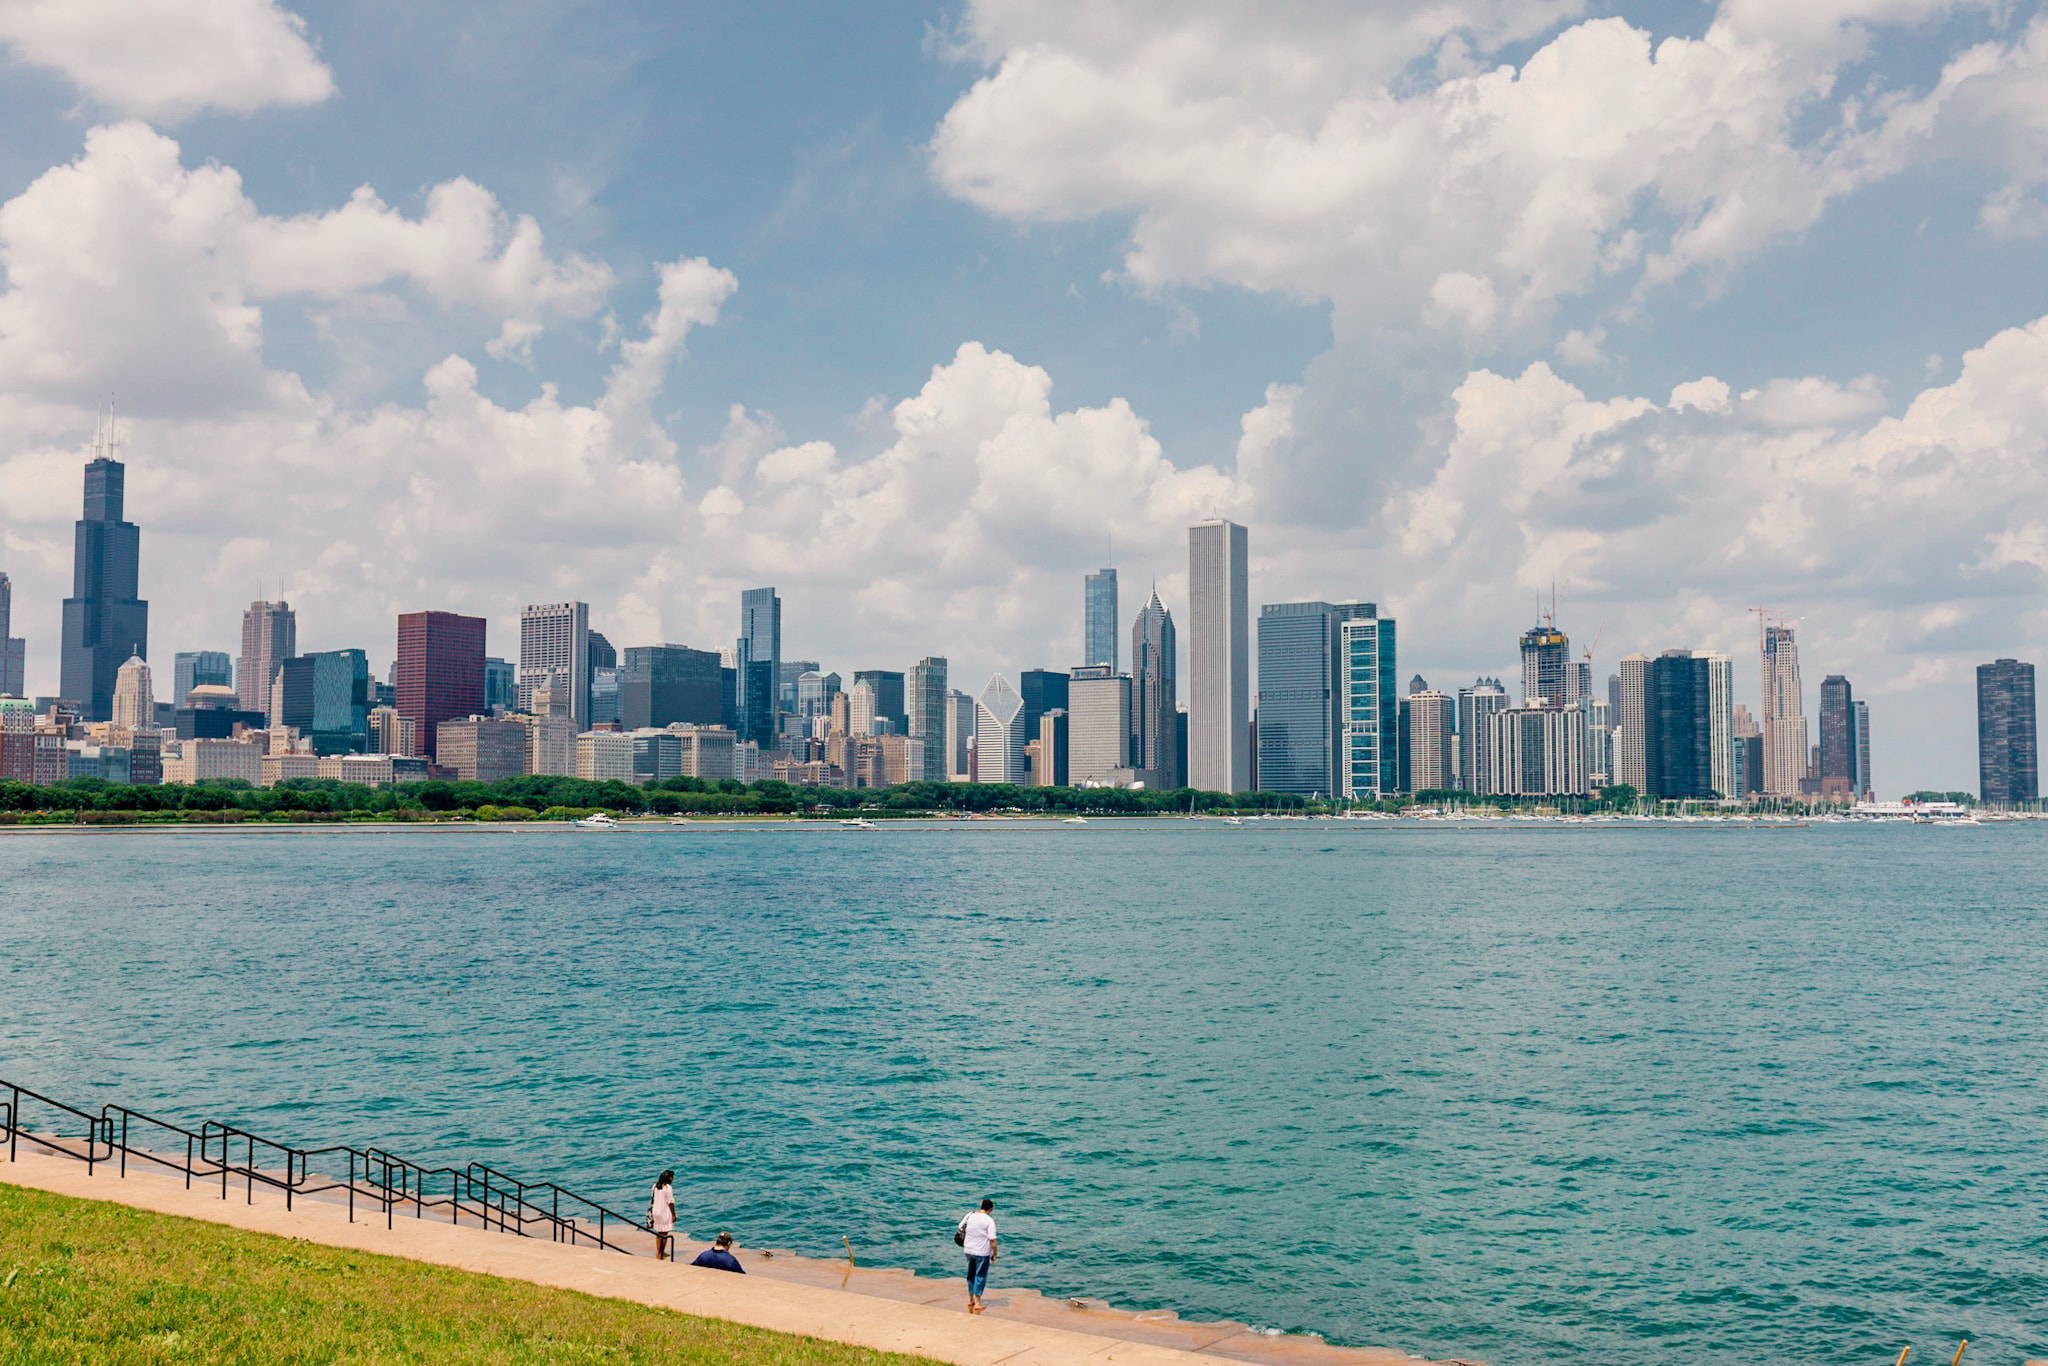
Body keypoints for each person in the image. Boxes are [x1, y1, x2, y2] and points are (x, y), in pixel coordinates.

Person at [958, 1198, 997, 1313]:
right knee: (980, 1276)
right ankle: (978, 1303)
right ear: (990, 1209)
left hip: (969, 1250)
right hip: (982, 1252)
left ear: (981, 1206)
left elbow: (960, 1227)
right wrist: (995, 1254)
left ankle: (970, 1299)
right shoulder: (989, 1220)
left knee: (971, 1274)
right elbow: (993, 1240)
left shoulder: (970, 1215)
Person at [648, 1170, 676, 1261]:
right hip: (664, 1211)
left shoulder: (655, 1186)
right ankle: (662, 1253)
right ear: (669, 1178)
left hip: (656, 1211)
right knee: (665, 1233)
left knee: (659, 1233)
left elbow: (653, 1199)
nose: (672, 1178)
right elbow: (670, 1202)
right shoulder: (668, 1188)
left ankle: (658, 1253)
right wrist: (674, 1215)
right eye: (671, 1177)